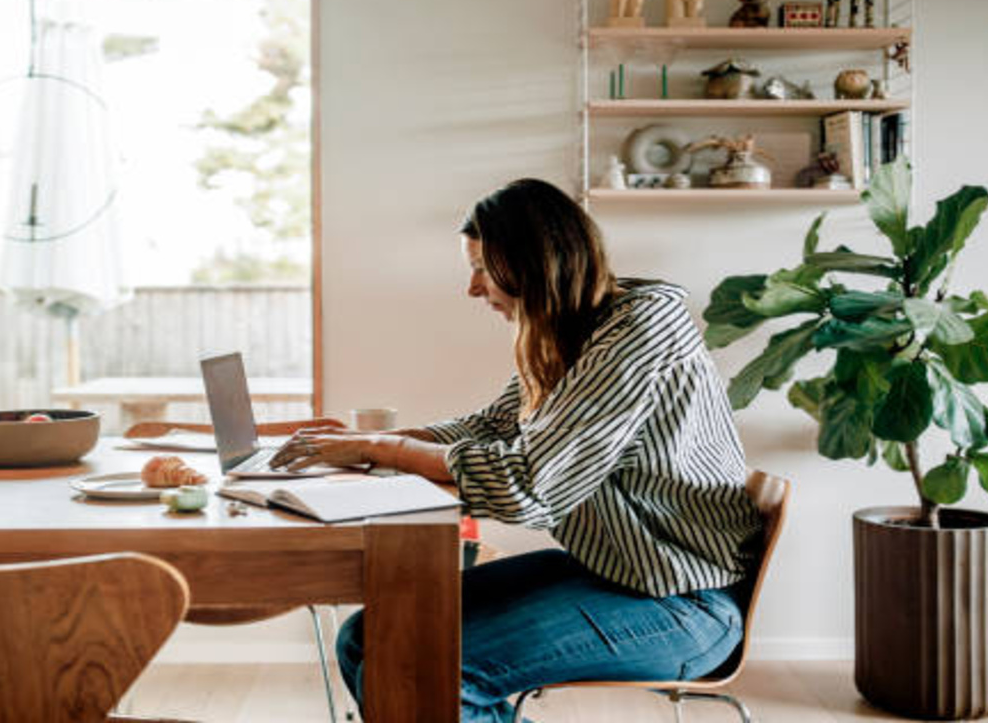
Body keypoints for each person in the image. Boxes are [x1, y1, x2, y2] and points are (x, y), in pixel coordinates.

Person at [270, 178, 762, 723]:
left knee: (429, 669)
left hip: (682, 603)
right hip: (611, 572)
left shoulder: (642, 326)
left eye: (482, 268)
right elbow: (491, 426)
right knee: (367, 637)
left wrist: (387, 446)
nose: (473, 289)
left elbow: (528, 485)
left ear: (534, 263)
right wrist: (364, 448)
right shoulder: (570, 333)